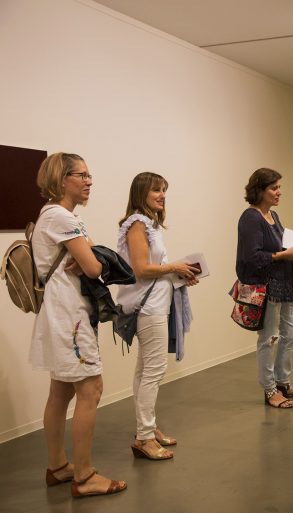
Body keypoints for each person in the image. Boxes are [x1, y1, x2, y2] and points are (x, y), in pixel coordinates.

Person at [29, 152, 127, 497]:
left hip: (62, 314)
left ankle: (57, 466)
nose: (89, 181)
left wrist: (89, 254)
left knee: (61, 391)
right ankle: (84, 477)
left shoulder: (55, 216)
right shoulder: (61, 217)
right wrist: (92, 256)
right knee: (91, 389)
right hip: (70, 317)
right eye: (81, 175)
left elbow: (87, 259)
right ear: (61, 178)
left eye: (89, 175)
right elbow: (93, 268)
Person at [116, 172, 199, 460]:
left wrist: (179, 272)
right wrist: (174, 266)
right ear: (142, 193)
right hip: (148, 309)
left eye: (164, 190)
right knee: (153, 372)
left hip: (154, 305)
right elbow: (141, 269)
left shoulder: (150, 223)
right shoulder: (137, 224)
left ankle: (148, 428)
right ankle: (145, 437)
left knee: (144, 371)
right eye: (156, 190)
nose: (162, 195)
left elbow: (155, 268)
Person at [237, 168, 293, 409]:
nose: (279, 192)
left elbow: (281, 252)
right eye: (274, 188)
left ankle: (283, 382)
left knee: (291, 334)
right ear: (260, 190)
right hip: (266, 288)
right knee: (268, 339)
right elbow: (250, 257)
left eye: (279, 187)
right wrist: (280, 255)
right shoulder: (250, 218)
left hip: (283, 286)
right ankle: (270, 389)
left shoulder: (273, 216)